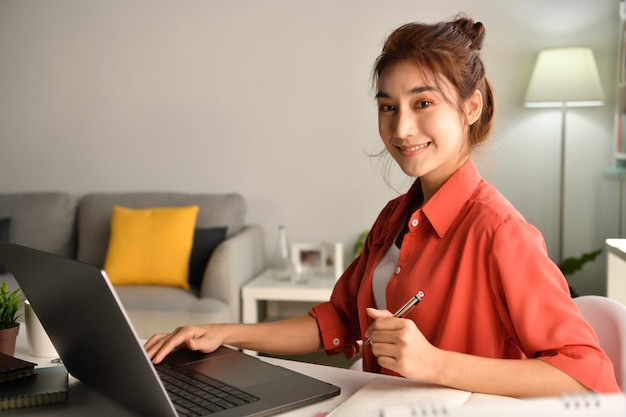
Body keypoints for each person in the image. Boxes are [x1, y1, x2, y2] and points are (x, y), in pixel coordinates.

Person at [145, 15, 621, 397]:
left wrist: (434, 362)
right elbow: (338, 321)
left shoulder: (499, 232)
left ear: (471, 107)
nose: (401, 130)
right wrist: (221, 333)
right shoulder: (395, 216)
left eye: (423, 103)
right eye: (388, 107)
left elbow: (586, 372)